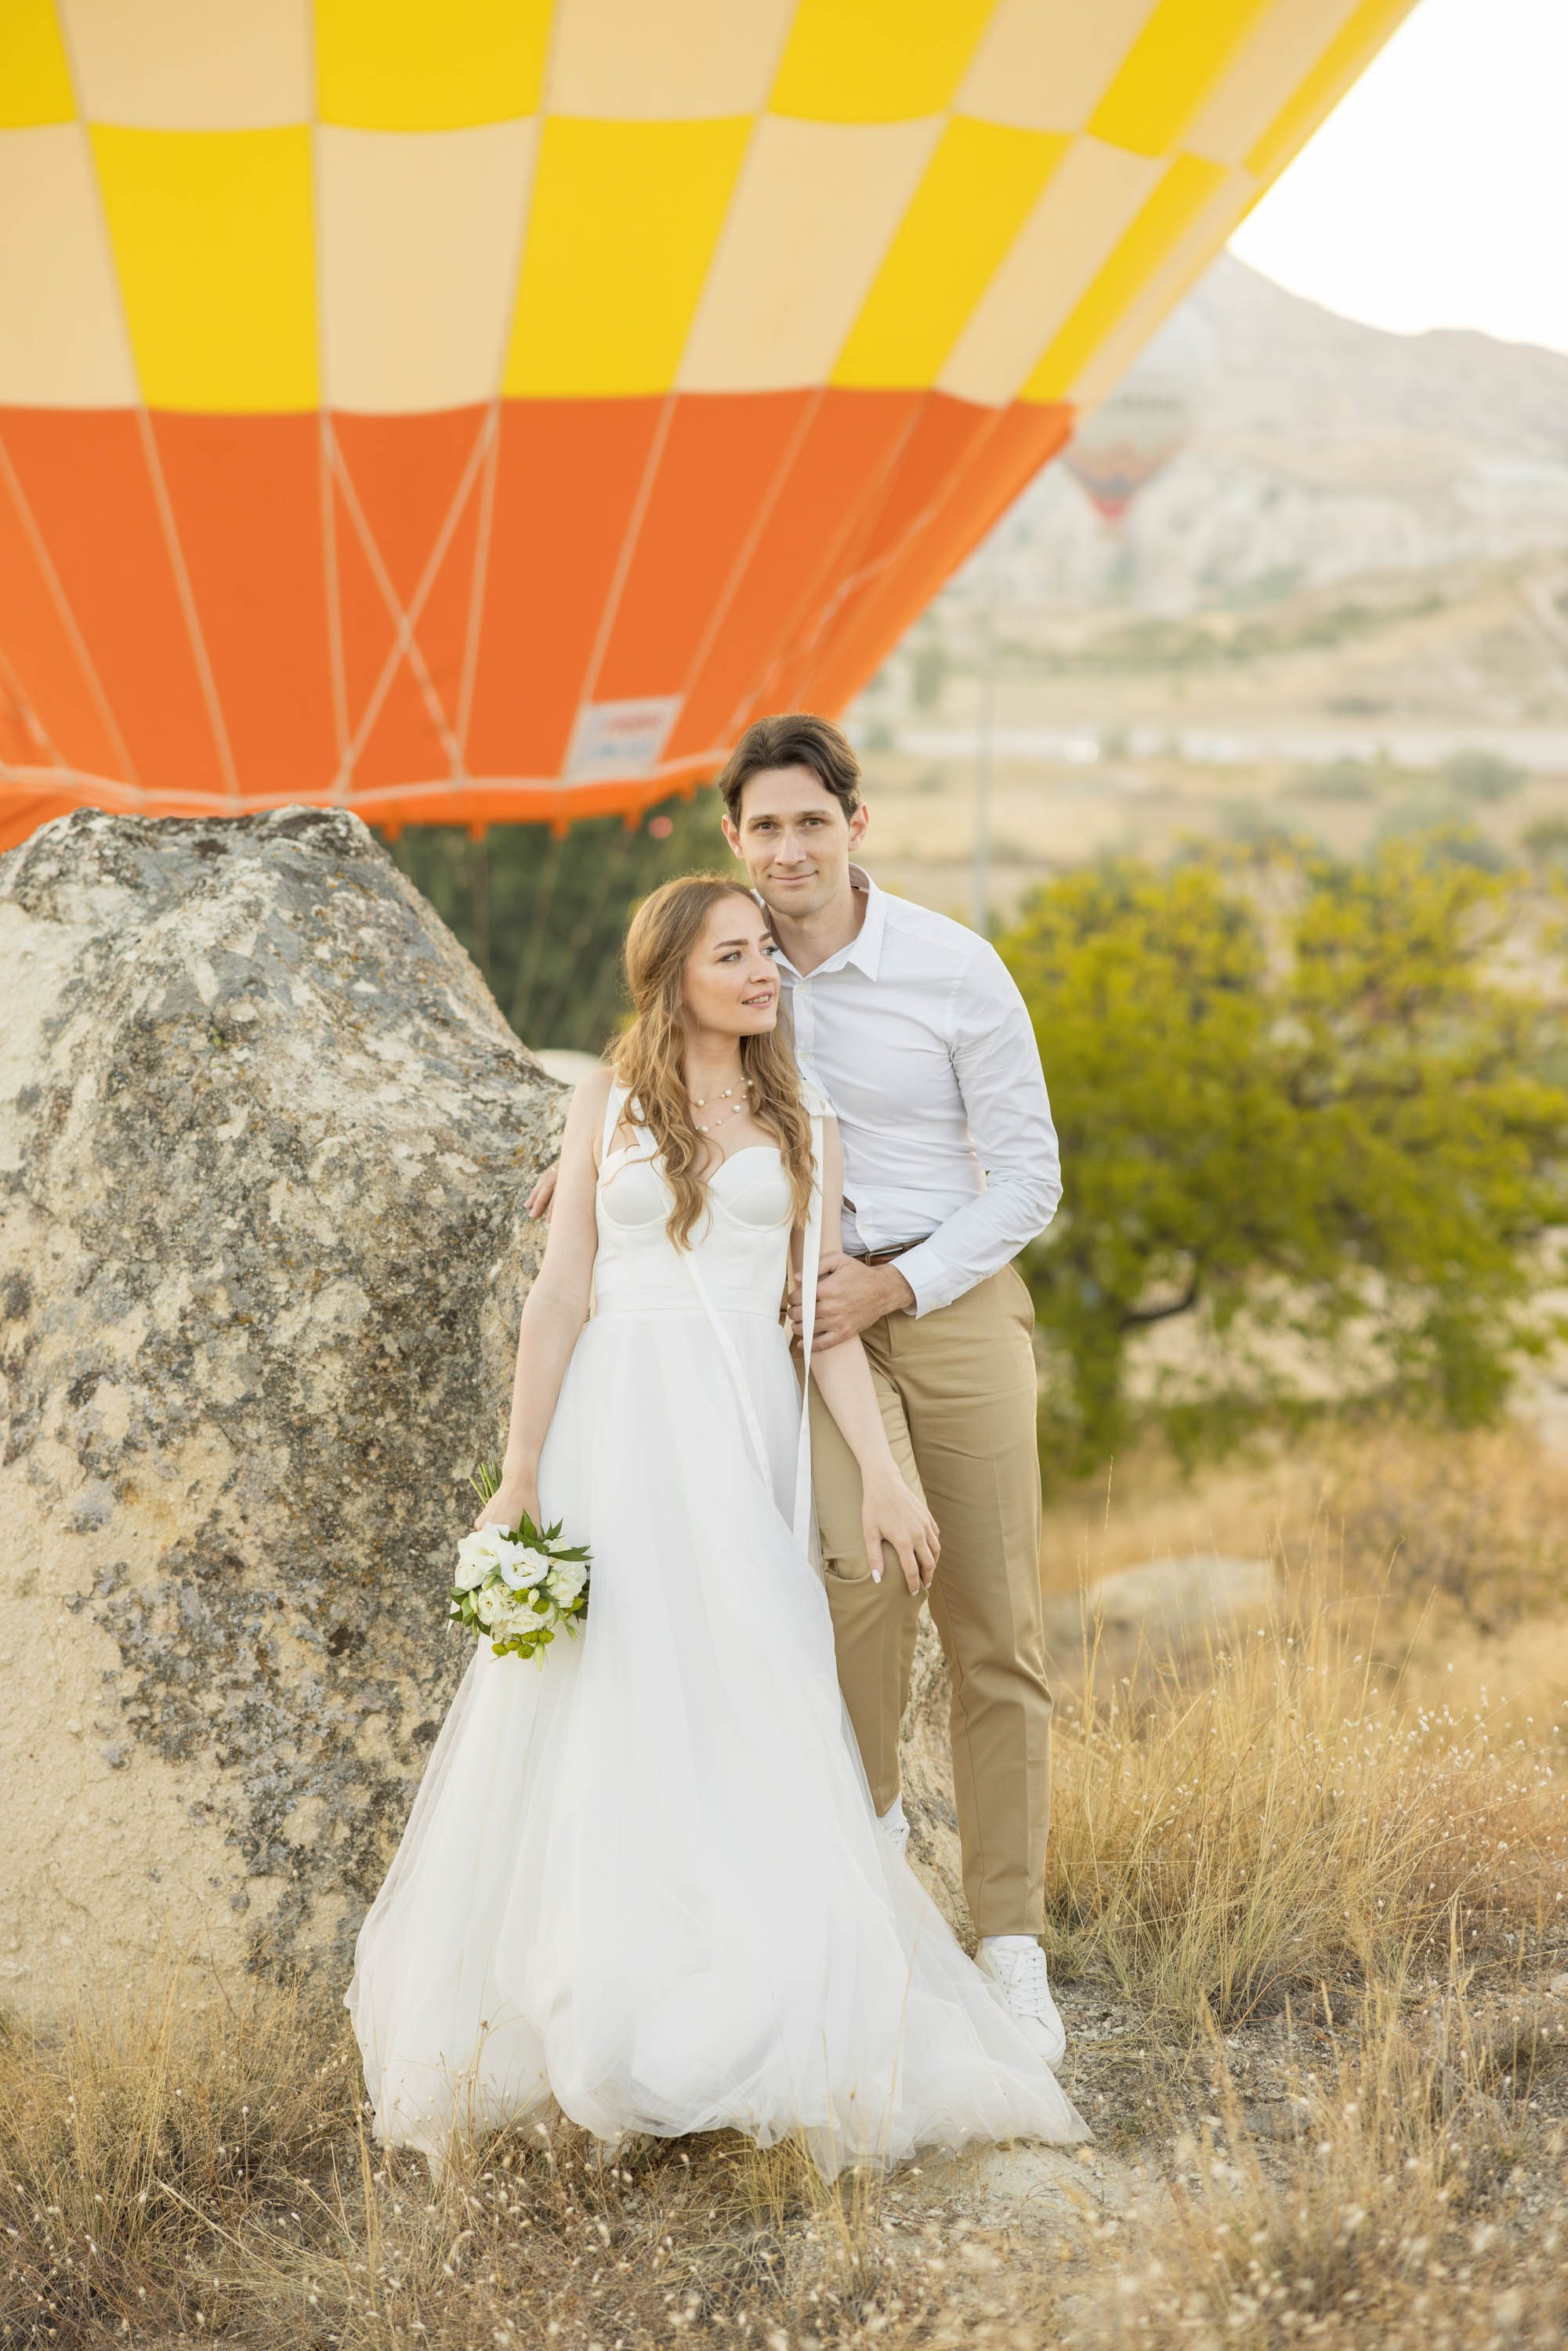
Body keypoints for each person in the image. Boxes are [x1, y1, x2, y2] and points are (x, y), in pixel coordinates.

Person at [347, 875, 1085, 2175]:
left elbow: (820, 1324)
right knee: (606, 1700)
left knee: (747, 1687)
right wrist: (519, 1473)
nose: (760, 975)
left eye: (763, 954)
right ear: (672, 975)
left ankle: (755, 1990)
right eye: (732, 956)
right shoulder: (603, 1101)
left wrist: (883, 1474)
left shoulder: (805, 1118)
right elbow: (560, 1292)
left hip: (742, 1429)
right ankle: (598, 1992)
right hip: (616, 1426)